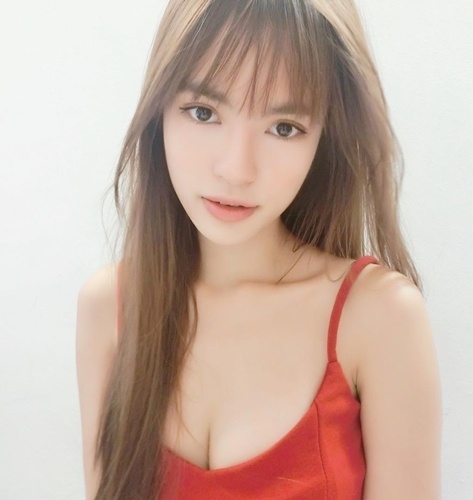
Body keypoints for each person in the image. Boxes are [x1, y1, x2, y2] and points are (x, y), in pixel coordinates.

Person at [76, 0, 442, 499]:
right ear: (158, 112)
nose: (236, 169)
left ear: (323, 138)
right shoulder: (110, 308)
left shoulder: (378, 316)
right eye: (204, 112)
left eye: (283, 127)